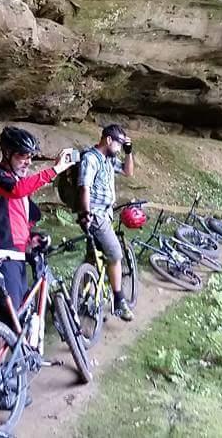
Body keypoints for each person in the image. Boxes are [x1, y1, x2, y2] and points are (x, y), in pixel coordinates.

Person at [0, 127, 75, 328]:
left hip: (17, 256)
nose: (28, 162)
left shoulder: (17, 180)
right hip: (2, 257)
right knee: (7, 323)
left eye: (31, 156)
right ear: (7, 153)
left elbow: (19, 219)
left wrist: (31, 238)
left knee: (17, 318)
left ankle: (15, 357)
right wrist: (55, 170)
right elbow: (17, 190)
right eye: (23, 156)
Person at [77, 124, 136, 321]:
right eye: (119, 144)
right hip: (95, 215)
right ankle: (119, 301)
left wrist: (128, 152)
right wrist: (86, 214)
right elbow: (85, 188)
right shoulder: (91, 158)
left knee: (92, 258)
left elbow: (128, 172)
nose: (119, 148)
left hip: (105, 214)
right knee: (115, 253)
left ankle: (82, 298)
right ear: (108, 140)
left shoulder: (108, 160)